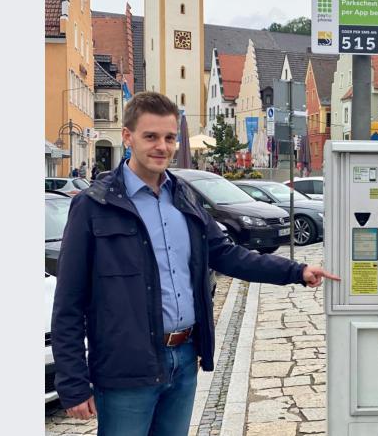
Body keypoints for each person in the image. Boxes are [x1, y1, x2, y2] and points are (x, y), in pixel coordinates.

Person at [52, 91, 340, 436]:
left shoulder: (183, 197)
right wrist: (73, 381)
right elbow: (69, 301)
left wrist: (296, 271)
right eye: (151, 136)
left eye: (170, 137)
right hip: (125, 368)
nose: (162, 146)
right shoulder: (93, 205)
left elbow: (226, 254)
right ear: (128, 137)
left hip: (183, 359)